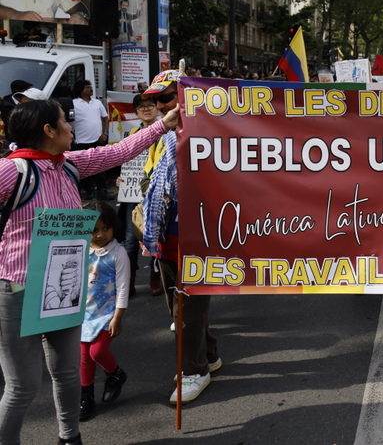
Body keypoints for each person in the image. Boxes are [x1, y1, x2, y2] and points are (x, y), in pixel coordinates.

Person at [0, 98, 178, 445]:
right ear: (47, 130)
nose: (71, 127)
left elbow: (118, 152)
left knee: (67, 374)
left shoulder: (68, 165)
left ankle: (70, 438)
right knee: (22, 387)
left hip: (64, 289)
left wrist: (163, 124)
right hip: (18, 291)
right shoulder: (12, 172)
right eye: (65, 122)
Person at [141, 70, 222, 404]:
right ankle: (209, 355)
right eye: (155, 100)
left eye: (166, 98)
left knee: (185, 311)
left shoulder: (211, 136)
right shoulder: (161, 136)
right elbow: (149, 178)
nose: (160, 106)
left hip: (196, 236)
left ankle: (194, 370)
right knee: (180, 306)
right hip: (165, 236)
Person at [79, 200, 129, 422]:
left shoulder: (118, 253)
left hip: (106, 314)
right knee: (83, 357)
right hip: (83, 314)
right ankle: (85, 396)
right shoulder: (80, 249)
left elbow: (123, 288)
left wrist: (117, 318)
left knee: (97, 352)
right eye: (93, 230)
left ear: (113, 227)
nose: (100, 235)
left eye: (105, 228)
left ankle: (115, 374)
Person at [117, 94, 163, 297]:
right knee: (129, 239)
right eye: (141, 107)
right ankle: (128, 281)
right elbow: (125, 161)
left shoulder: (167, 132)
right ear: (136, 112)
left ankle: (156, 277)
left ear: (157, 108)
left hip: (157, 192)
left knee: (155, 236)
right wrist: (121, 179)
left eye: (150, 105)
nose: (146, 109)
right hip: (132, 193)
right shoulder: (132, 134)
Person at [71, 79, 112, 200]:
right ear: (80, 90)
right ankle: (89, 192)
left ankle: (102, 191)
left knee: (100, 166)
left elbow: (105, 118)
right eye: (87, 87)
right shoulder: (73, 103)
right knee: (85, 168)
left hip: (98, 140)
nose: (90, 89)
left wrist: (104, 133)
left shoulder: (97, 103)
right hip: (82, 141)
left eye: (90, 87)